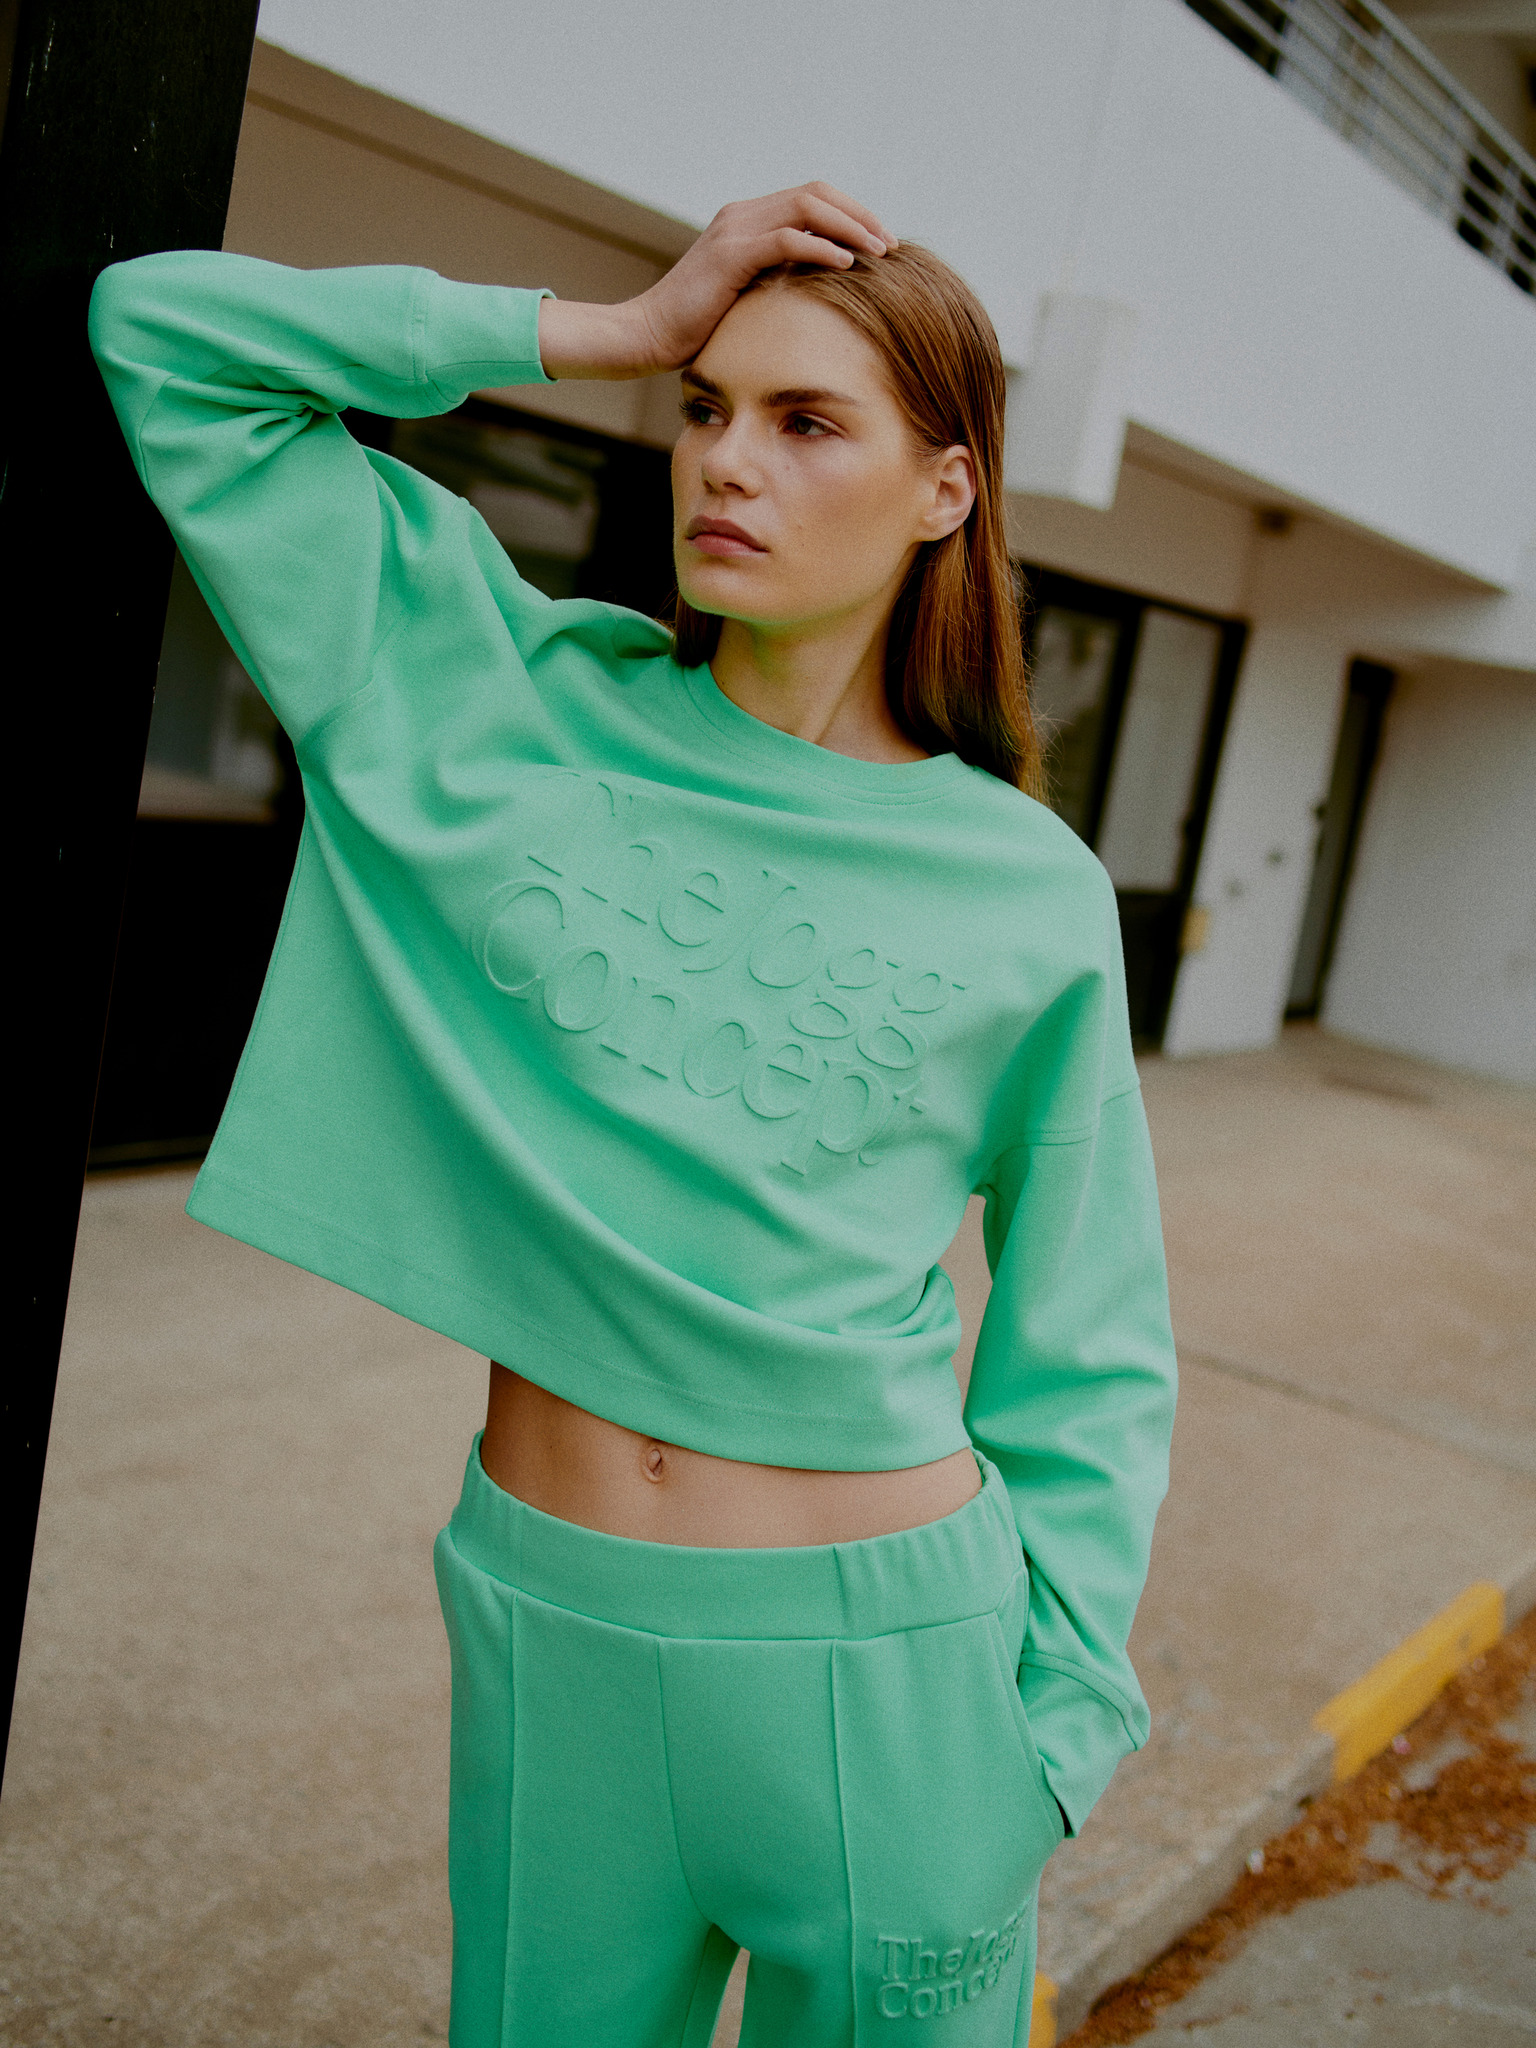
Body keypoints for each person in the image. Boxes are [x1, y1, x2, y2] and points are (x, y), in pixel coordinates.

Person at [89, 182, 1178, 2047]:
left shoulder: (1029, 888)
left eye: (807, 421)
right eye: (705, 408)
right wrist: (603, 329)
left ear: (948, 489)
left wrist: (1051, 1738)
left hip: (893, 1679)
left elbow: (1091, 1335)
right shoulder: (499, 695)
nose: (726, 461)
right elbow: (164, 342)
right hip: (551, 1623)